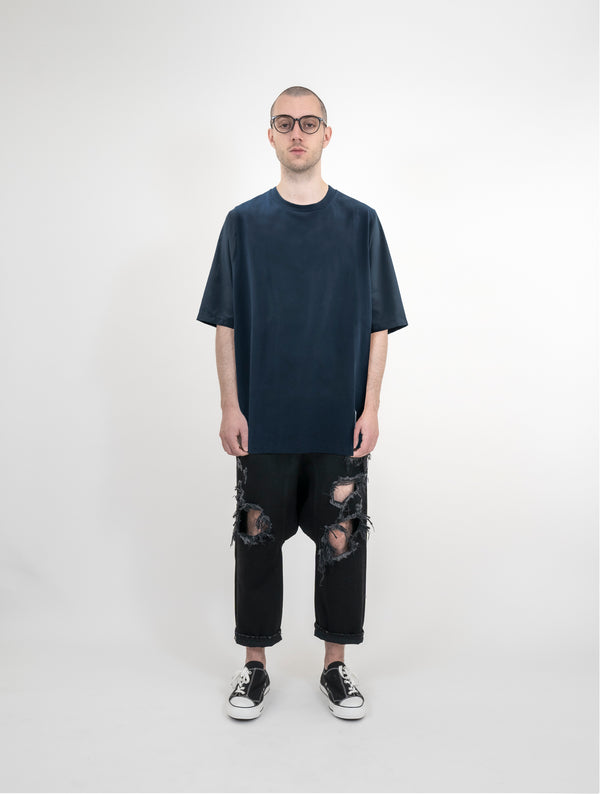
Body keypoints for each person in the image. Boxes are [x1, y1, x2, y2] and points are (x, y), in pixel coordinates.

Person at [196, 86, 408, 720]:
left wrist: (370, 408)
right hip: (264, 420)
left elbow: (380, 324)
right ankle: (254, 667)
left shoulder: (360, 223)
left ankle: (335, 666)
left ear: (326, 134)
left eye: (309, 123)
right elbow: (225, 321)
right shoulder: (243, 223)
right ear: (270, 135)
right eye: (285, 123)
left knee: (342, 545)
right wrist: (230, 407)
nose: (297, 133)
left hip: (338, 422)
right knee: (257, 541)